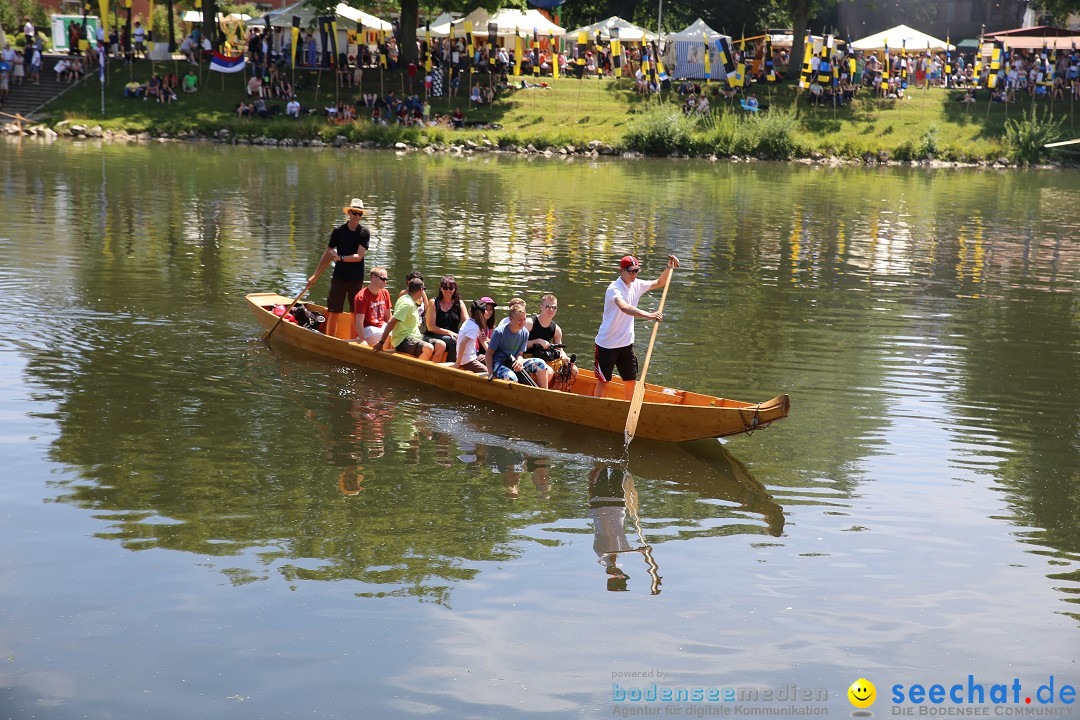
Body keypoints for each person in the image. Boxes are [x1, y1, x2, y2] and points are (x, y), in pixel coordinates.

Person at [592, 254, 679, 400]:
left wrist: (669, 267)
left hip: (626, 344)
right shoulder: (614, 289)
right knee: (604, 381)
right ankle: (596, 406)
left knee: (630, 380)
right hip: (607, 344)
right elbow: (624, 307)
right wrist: (649, 315)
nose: (634, 274)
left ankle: (628, 408)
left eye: (636, 271)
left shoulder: (637, 284)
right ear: (621, 270)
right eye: (630, 271)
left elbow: (659, 282)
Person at [308, 198, 371, 337]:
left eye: (360, 214)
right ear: (349, 213)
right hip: (339, 277)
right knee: (334, 311)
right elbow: (328, 252)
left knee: (356, 313)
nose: (357, 216)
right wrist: (315, 275)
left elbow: (358, 257)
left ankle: (354, 340)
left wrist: (341, 257)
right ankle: (330, 340)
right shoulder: (338, 231)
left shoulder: (364, 233)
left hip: (356, 278)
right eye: (354, 213)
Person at [486, 299, 552, 388]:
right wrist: (491, 373)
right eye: (519, 320)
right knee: (512, 377)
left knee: (541, 364)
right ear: (511, 319)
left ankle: (544, 393)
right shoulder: (499, 332)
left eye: (524, 319)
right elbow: (488, 355)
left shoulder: (525, 332)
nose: (523, 322)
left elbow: (520, 354)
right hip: (498, 363)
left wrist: (520, 360)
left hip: (513, 362)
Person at [375, 277, 435, 359]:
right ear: (421, 290)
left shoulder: (410, 300)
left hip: (414, 336)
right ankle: (415, 371)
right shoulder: (407, 303)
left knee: (440, 345)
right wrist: (381, 342)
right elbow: (391, 322)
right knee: (428, 348)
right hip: (402, 339)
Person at [423, 275, 467, 364]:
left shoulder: (460, 303)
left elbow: (467, 323)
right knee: (453, 341)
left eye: (451, 288)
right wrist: (449, 332)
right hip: (432, 336)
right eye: (445, 288)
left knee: (463, 340)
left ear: (455, 289)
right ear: (441, 289)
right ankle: (450, 367)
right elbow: (431, 327)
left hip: (453, 336)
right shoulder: (433, 303)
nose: (448, 290)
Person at [353, 267, 392, 346]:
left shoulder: (385, 292)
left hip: (381, 327)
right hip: (368, 330)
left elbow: (388, 316)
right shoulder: (362, 297)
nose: (385, 282)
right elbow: (359, 322)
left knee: (398, 333)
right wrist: (362, 340)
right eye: (382, 279)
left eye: (386, 279)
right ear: (373, 277)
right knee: (389, 335)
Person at [454, 299, 491, 374]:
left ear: (471, 311)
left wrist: (492, 355)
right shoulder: (474, 327)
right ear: (483, 313)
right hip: (467, 360)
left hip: (473, 356)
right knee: (488, 372)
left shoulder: (470, 322)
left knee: (492, 360)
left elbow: (482, 340)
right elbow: (462, 343)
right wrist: (457, 363)